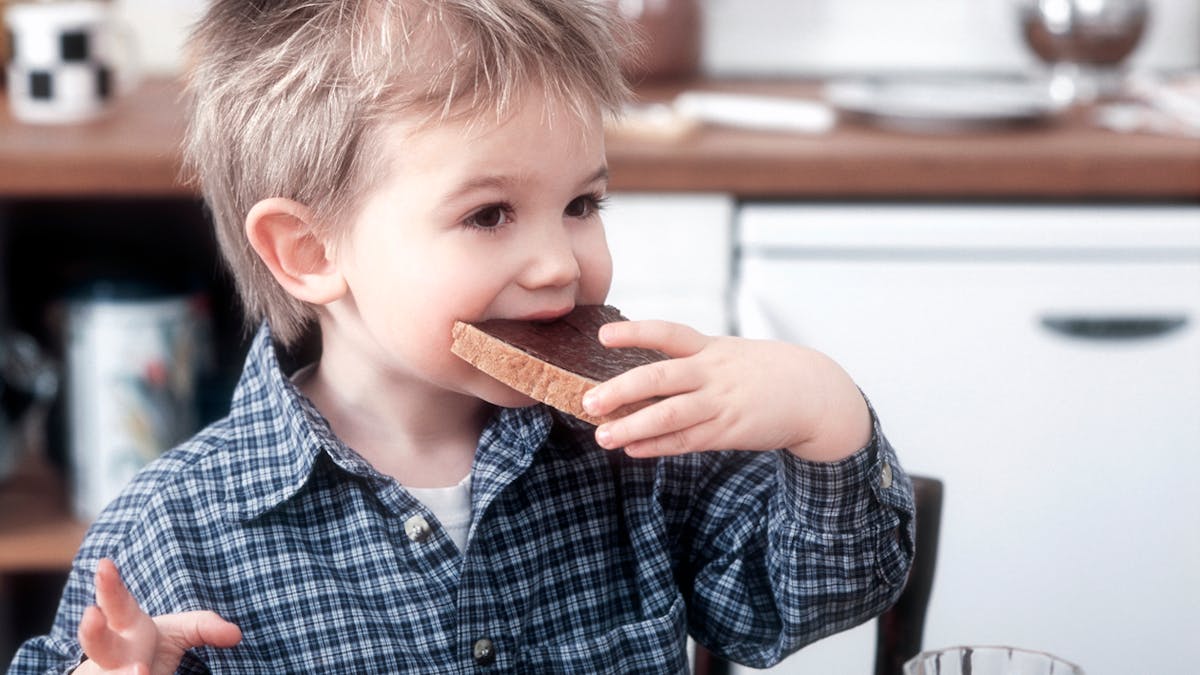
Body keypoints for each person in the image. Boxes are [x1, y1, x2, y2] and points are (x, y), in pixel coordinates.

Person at [10, 1, 915, 672]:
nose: (560, 263)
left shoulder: (641, 448)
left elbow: (792, 605)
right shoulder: (171, 533)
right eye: (490, 215)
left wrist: (822, 412)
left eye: (581, 204)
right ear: (311, 249)